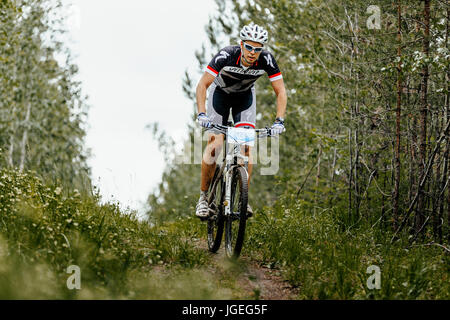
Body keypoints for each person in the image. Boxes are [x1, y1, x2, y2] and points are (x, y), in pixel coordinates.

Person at [195, 23, 287, 219]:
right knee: (216, 144)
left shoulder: (267, 60)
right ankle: (203, 198)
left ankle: (242, 198)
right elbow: (202, 85)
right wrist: (202, 114)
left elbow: (281, 91)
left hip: (244, 99)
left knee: (246, 148)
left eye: (258, 49)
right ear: (241, 44)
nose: (253, 52)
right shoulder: (226, 55)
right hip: (219, 96)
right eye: (249, 47)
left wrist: (279, 120)